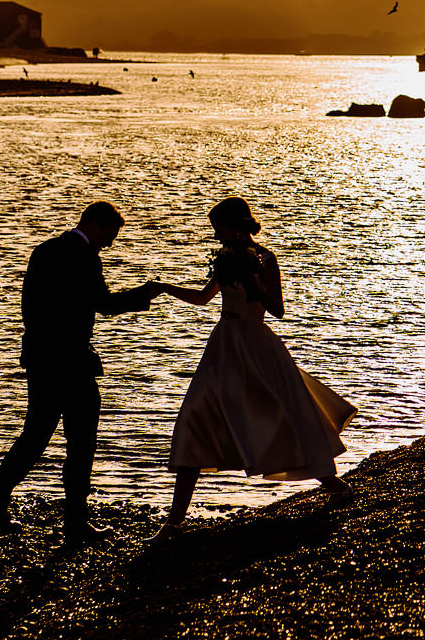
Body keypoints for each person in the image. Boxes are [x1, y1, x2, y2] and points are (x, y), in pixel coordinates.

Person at [153, 196, 356, 537]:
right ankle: (175, 519)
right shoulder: (225, 259)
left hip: (256, 344)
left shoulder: (265, 258)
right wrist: (163, 288)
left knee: (283, 410)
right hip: (224, 345)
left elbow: (278, 310)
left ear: (236, 226)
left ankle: (329, 479)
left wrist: (255, 287)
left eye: (219, 229)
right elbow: (205, 298)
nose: (217, 236)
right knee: (195, 417)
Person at [0, 200, 161, 547]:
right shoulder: (84, 257)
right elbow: (103, 304)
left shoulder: (44, 251)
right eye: (111, 233)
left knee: (34, 438)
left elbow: (29, 305)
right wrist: (144, 293)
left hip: (40, 357)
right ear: (94, 224)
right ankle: (75, 524)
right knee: (81, 443)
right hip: (71, 362)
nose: (110, 242)